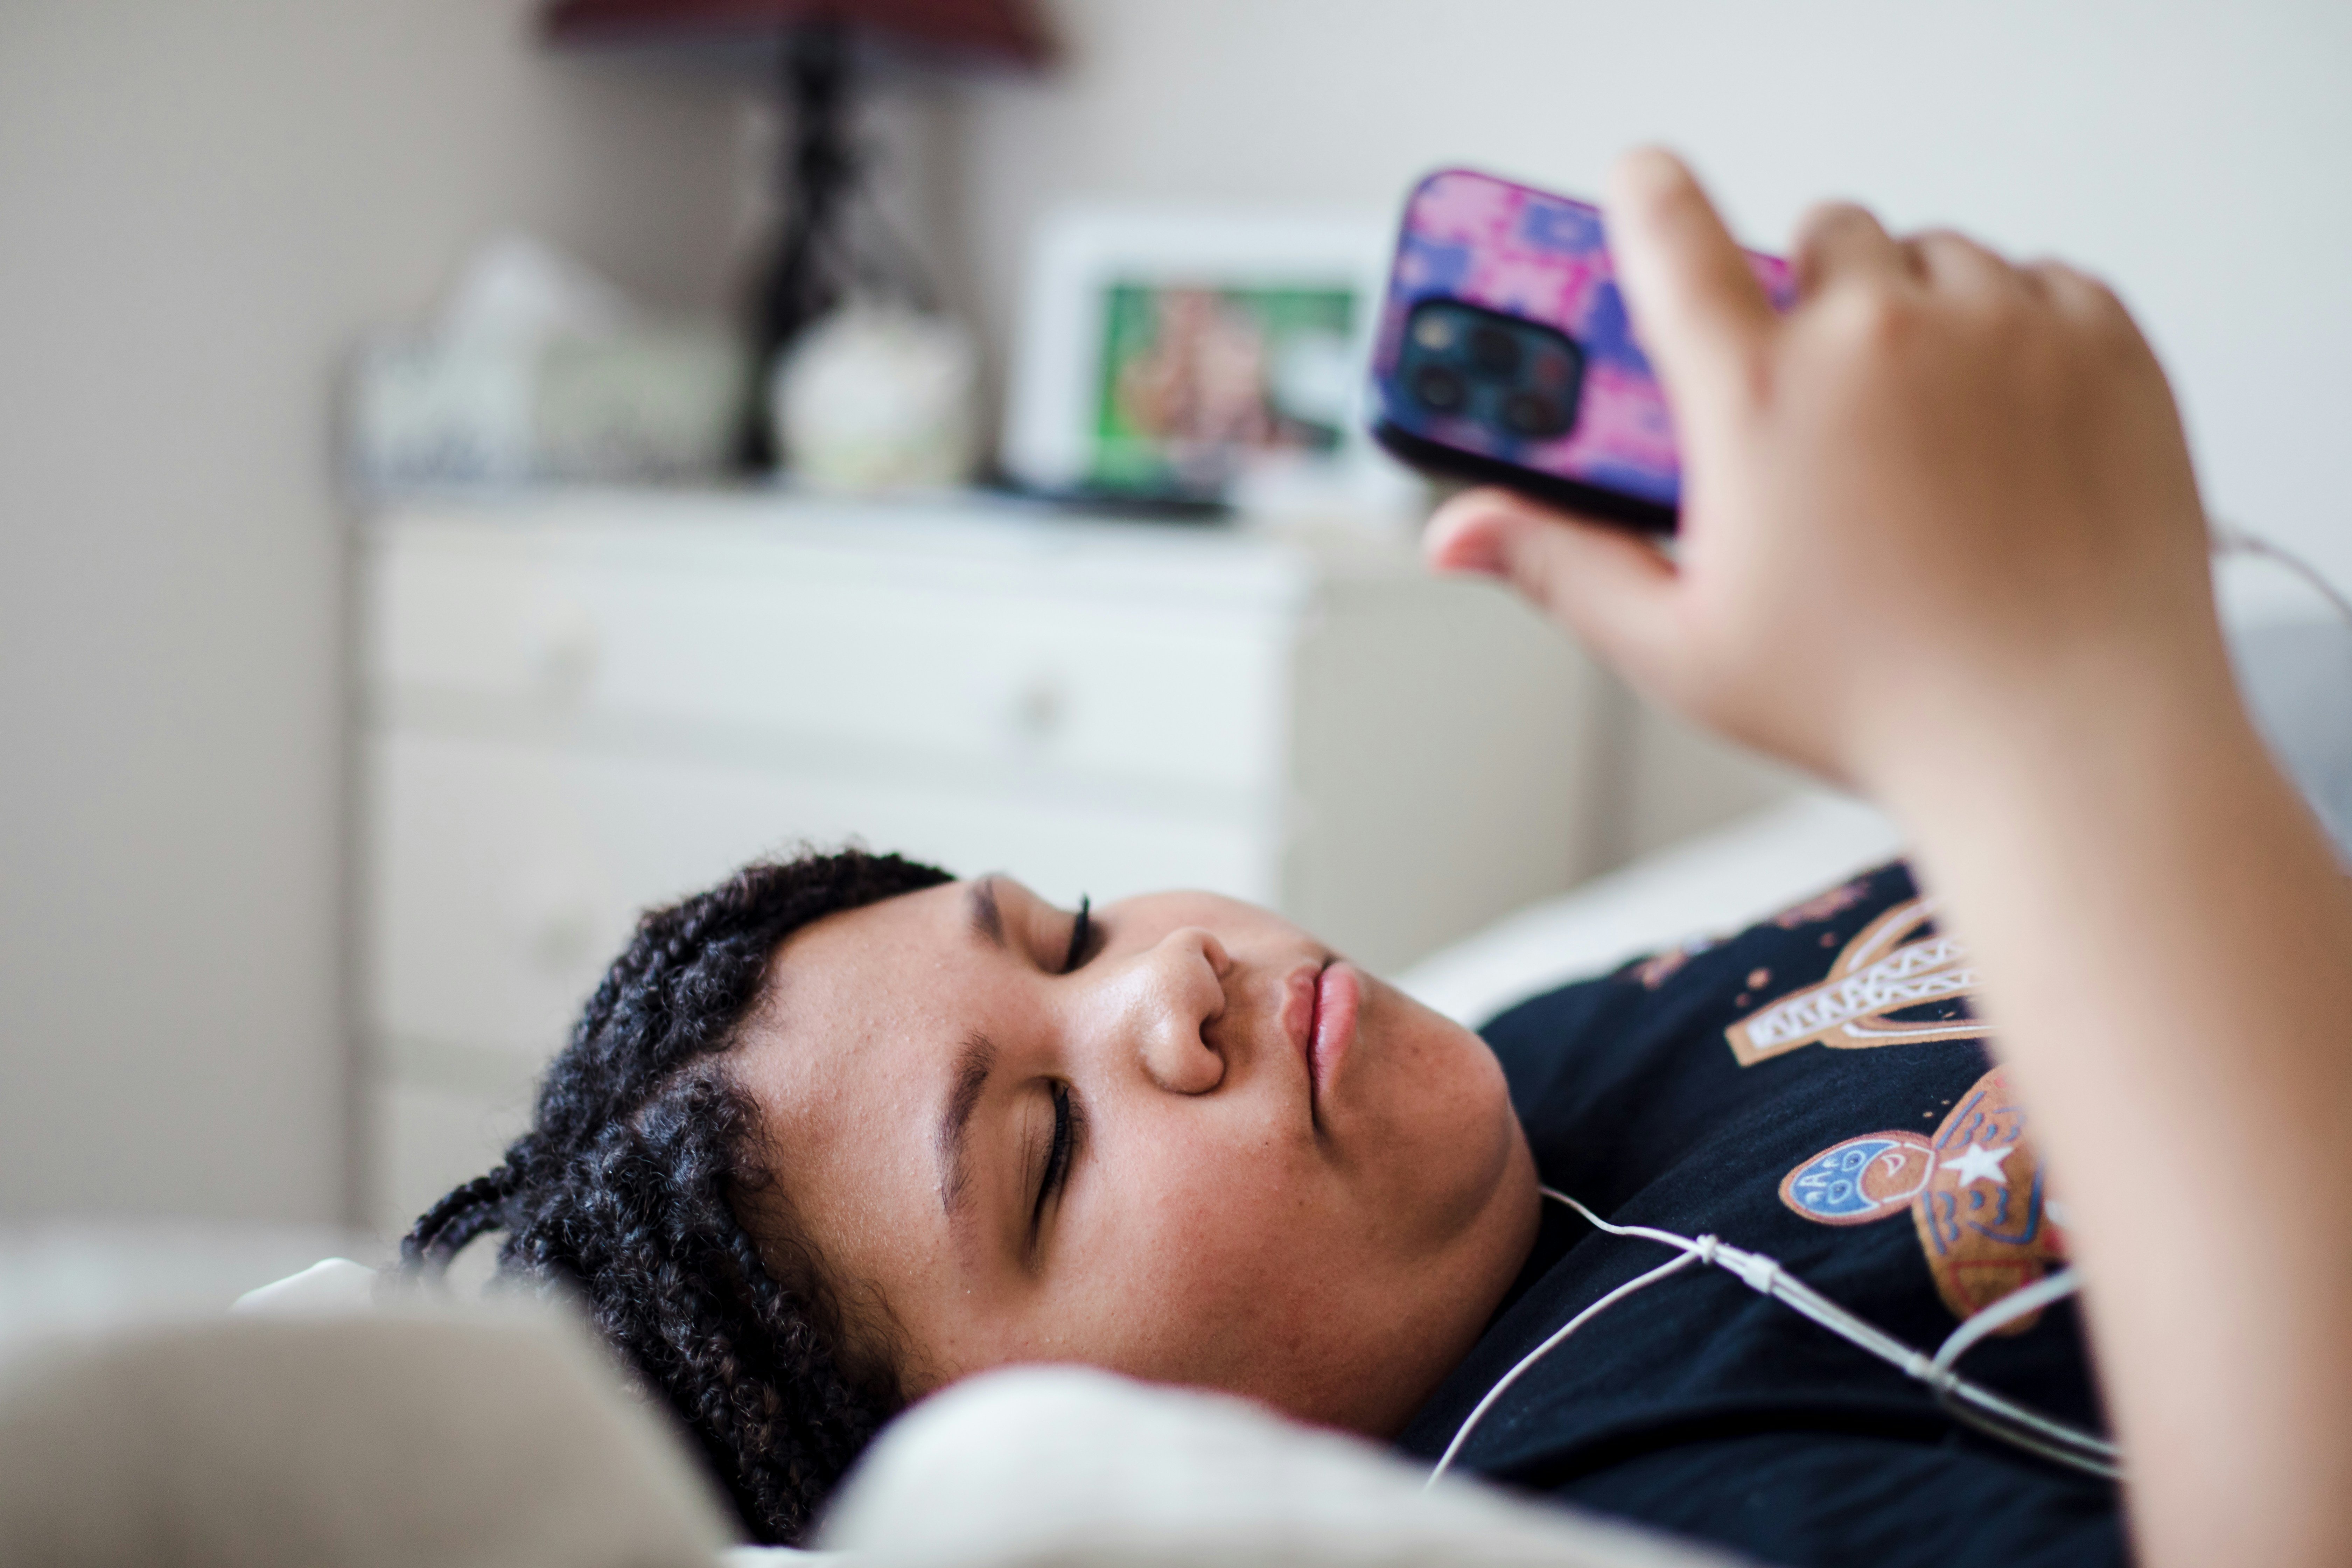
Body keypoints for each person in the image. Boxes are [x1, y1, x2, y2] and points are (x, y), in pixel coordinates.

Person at [399, 151, 2352, 1568]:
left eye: (1069, 935)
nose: (1161, 985)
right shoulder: (1597, 1494)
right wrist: (2060, 709)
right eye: (1045, 1152)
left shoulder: (1521, 1060)